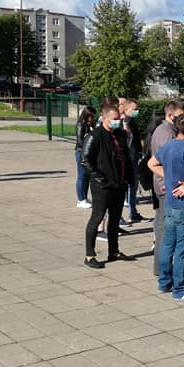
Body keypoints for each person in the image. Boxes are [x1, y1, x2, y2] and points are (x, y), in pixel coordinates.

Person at [147, 116, 184, 301]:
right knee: (182, 249)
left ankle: (164, 282)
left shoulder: (168, 146)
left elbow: (151, 163)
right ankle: (180, 289)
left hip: (170, 204)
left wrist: (169, 177)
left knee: (167, 244)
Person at [81, 104, 135, 269]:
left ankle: (114, 251)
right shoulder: (95, 136)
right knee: (97, 217)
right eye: (114, 119)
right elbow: (85, 161)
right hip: (103, 186)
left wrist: (129, 178)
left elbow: (125, 157)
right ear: (104, 118)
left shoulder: (119, 134)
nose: (117, 122)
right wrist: (100, 178)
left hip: (119, 183)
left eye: (118, 119)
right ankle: (90, 255)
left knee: (115, 219)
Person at [150, 101, 183, 275]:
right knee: (165, 230)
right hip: (165, 186)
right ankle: (162, 269)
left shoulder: (165, 130)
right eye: (180, 116)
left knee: (163, 226)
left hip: (163, 184)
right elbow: (167, 162)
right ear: (170, 115)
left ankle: (162, 268)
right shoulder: (167, 134)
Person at [121, 99, 145, 224]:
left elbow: (136, 140)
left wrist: (139, 153)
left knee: (133, 185)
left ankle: (133, 212)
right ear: (126, 109)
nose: (137, 111)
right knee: (122, 188)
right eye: (134, 109)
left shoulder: (133, 123)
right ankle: (118, 217)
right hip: (122, 160)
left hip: (133, 158)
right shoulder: (119, 123)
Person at [74, 106, 96, 208]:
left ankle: (85, 198)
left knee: (87, 176)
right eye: (91, 116)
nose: (92, 118)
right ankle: (80, 199)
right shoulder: (81, 124)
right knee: (81, 176)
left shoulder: (90, 125)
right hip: (81, 152)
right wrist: (87, 138)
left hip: (88, 152)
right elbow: (80, 141)